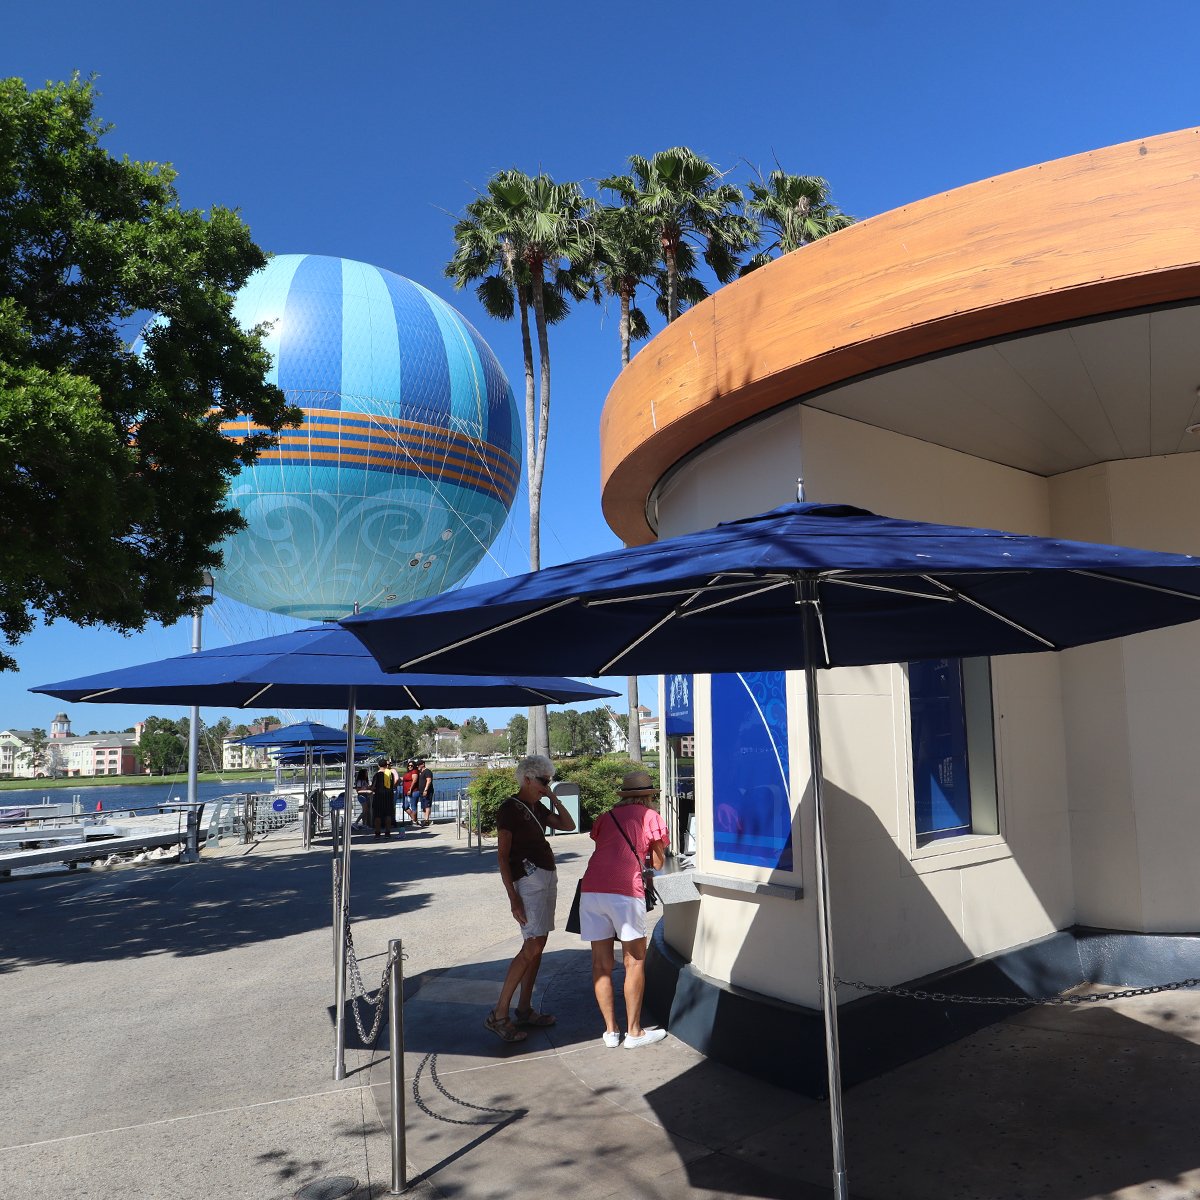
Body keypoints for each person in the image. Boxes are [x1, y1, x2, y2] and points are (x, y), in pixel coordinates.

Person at [484, 754, 576, 1043]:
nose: (547, 785)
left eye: (549, 780)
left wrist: (552, 797)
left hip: (546, 875)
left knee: (539, 943)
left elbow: (568, 824)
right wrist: (513, 898)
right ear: (527, 778)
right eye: (543, 781)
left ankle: (524, 1008)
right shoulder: (510, 808)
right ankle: (500, 1013)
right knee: (532, 944)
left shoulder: (536, 807)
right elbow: (502, 855)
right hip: (528, 880)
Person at [578, 769, 668, 1049]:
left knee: (600, 964)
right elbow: (657, 863)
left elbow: (605, 847)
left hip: (591, 889)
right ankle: (634, 1032)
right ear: (649, 796)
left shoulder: (606, 817)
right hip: (625, 892)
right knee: (634, 961)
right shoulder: (650, 817)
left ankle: (610, 1031)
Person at [371, 758, 397, 839]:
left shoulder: (377, 775)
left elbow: (373, 786)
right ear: (386, 765)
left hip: (378, 796)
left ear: (378, 766)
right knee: (388, 815)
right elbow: (393, 785)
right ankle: (387, 833)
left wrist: (371, 789)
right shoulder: (390, 774)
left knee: (377, 815)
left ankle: (377, 833)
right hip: (389, 796)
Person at [415, 757, 434, 827]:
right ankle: (424, 819)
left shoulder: (427, 771)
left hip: (427, 791)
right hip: (421, 791)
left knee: (427, 804)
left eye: (419, 765)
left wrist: (426, 790)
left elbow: (429, 781)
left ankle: (427, 820)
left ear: (423, 764)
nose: (418, 766)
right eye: (417, 765)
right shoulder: (420, 772)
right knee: (423, 806)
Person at [400, 759, 419, 826]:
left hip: (413, 791)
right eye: (409, 765)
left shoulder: (414, 772)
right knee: (405, 806)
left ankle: (414, 821)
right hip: (406, 792)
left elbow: (414, 781)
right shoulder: (408, 773)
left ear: (414, 766)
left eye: (411, 765)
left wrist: (410, 789)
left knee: (413, 806)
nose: (410, 767)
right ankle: (414, 820)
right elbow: (404, 779)